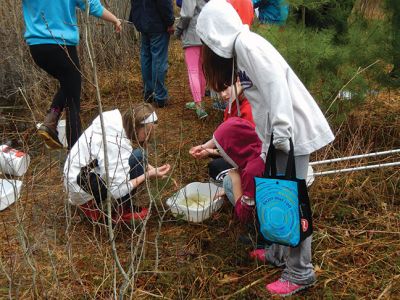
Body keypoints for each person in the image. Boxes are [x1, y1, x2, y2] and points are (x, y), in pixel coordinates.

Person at [196, 0, 334, 296]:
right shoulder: (240, 49)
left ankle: (300, 272)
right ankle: (277, 254)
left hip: (290, 133)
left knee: (292, 201)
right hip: (276, 137)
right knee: (276, 194)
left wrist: (282, 132)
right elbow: (260, 104)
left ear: (214, 33)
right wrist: (266, 144)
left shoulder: (246, 44)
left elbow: (275, 86)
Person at [22, 0, 122, 150]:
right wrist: (114, 19)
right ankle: (76, 157)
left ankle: (51, 120)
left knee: (69, 85)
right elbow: (91, 5)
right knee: (73, 103)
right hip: (62, 45)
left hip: (36, 48)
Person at [64, 103, 171, 223]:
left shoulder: (114, 125)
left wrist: (151, 168)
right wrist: (148, 175)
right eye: (146, 133)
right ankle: (121, 210)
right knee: (140, 156)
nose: (147, 138)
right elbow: (117, 190)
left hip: (77, 177)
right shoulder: (115, 144)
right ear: (135, 126)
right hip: (81, 188)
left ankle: (95, 203)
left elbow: (126, 157)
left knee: (140, 155)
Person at [190, 81, 256, 182]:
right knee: (208, 142)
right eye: (220, 92)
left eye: (225, 89)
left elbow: (241, 151)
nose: (223, 95)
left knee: (215, 167)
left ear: (238, 82)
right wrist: (205, 147)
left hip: (250, 160)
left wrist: (209, 151)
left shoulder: (248, 110)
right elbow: (224, 136)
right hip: (237, 148)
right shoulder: (233, 104)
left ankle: (231, 186)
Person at [129, 0, 175, 108]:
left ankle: (149, 93)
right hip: (157, 23)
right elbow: (164, 3)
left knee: (146, 56)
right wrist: (170, 22)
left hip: (143, 22)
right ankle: (160, 97)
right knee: (157, 58)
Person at [175, 0, 208, 119]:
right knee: (201, 69)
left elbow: (187, 14)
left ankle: (199, 106)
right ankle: (200, 101)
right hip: (205, 33)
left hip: (192, 33)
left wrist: (178, 30)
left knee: (193, 71)